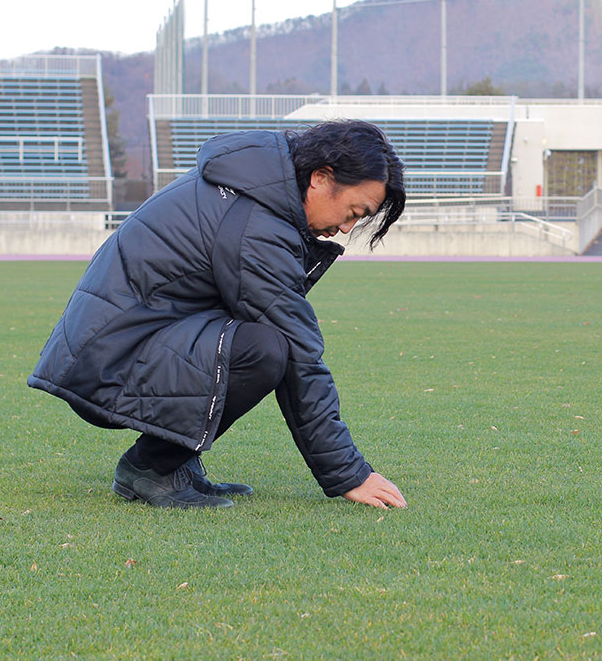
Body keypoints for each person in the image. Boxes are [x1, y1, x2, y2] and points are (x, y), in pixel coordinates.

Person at [27, 120, 408, 510]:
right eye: (353, 211)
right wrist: (349, 473)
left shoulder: (252, 188)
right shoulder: (257, 225)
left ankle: (177, 464)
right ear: (321, 179)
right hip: (109, 359)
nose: (346, 228)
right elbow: (300, 355)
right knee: (265, 349)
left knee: (255, 339)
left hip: (114, 344)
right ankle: (151, 467)